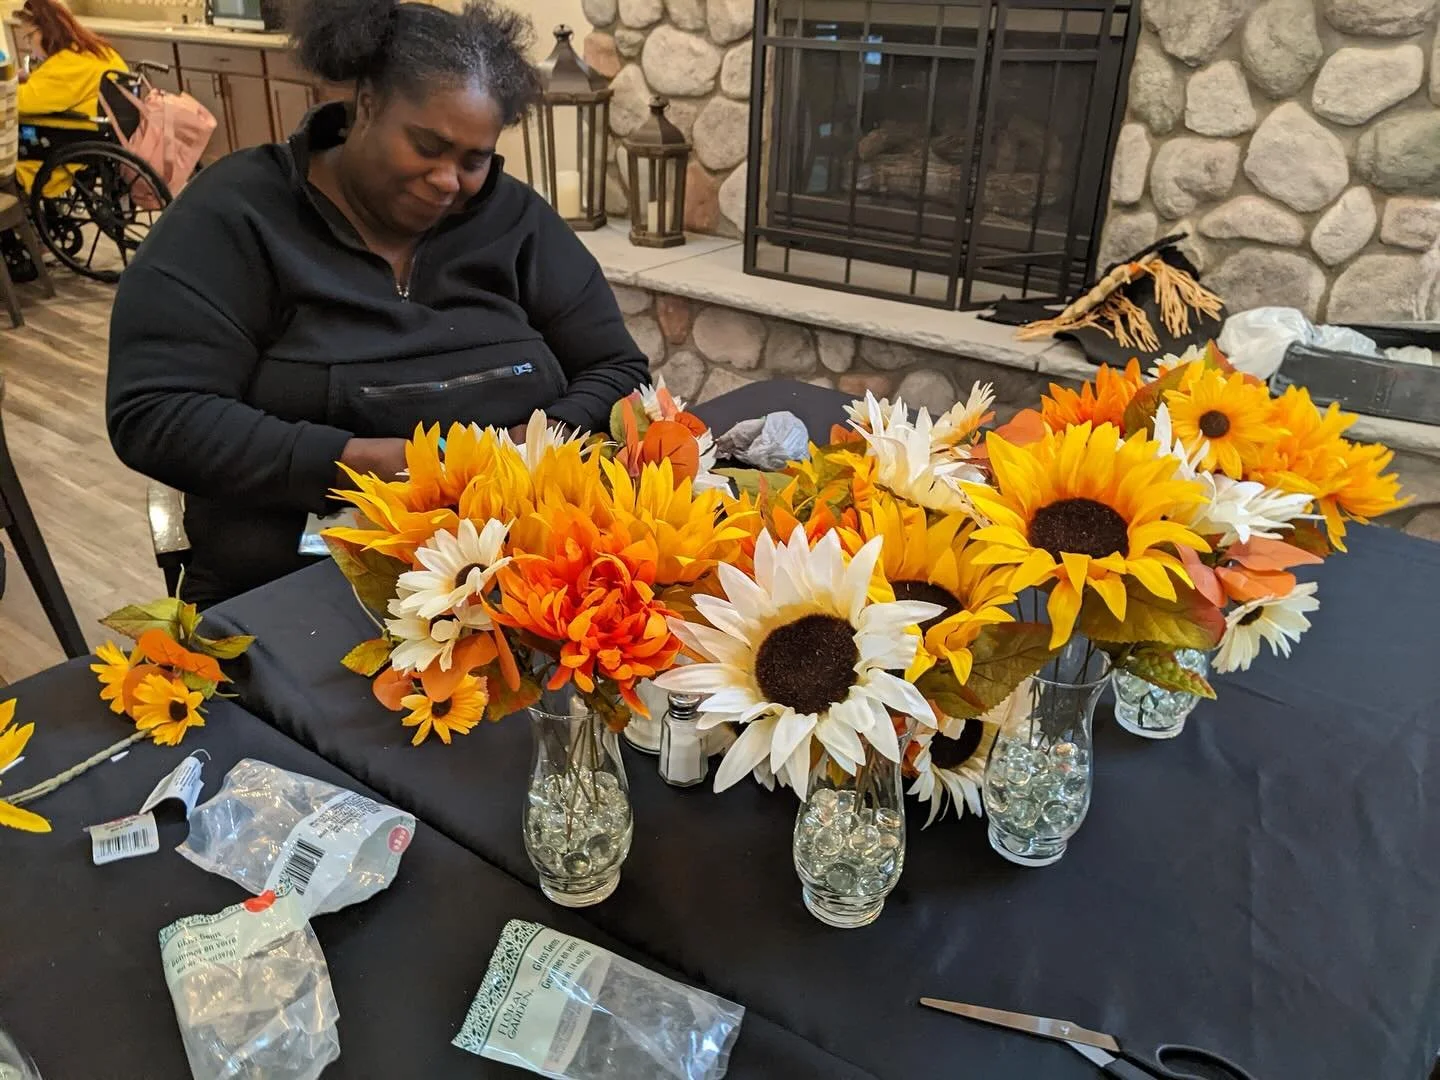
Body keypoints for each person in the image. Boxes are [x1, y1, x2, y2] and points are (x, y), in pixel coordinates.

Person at [106, 0, 649, 608]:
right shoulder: (236, 216)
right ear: (365, 104)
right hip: (298, 582)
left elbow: (618, 370)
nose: (449, 181)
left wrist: (536, 445)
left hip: (518, 570)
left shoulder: (515, 219)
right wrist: (352, 465)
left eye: (474, 160)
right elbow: (155, 413)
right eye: (427, 146)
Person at [12, 0, 128, 194]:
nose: (29, 47)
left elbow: (23, 102)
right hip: (105, 130)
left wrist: (9, 85)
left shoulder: (65, 64)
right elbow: (57, 91)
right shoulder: (90, 49)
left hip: (74, 138)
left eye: (29, 37)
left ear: (46, 30)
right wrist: (30, 79)